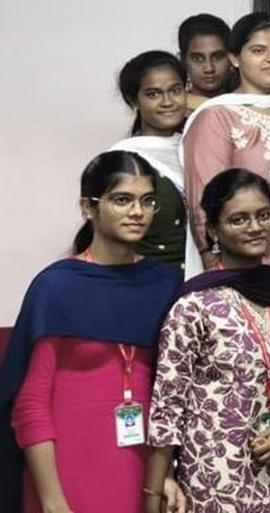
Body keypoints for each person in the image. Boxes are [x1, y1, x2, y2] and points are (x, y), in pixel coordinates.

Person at [0, 151, 182, 512]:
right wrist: (52, 501)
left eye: (148, 201)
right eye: (122, 200)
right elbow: (30, 404)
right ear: (88, 207)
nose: (137, 212)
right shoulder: (57, 286)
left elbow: (171, 391)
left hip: (140, 469)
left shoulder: (165, 283)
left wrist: (165, 473)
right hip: (67, 469)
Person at [144, 169, 270, 513]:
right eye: (239, 219)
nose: (255, 227)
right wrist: (156, 489)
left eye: (263, 215)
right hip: (215, 475)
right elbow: (168, 406)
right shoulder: (195, 304)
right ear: (213, 229)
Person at [181, 12, 270, 278]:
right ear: (235, 58)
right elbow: (206, 199)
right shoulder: (217, 116)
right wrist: (214, 267)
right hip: (243, 266)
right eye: (259, 50)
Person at [110, 51, 189, 270]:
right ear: (135, 100)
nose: (167, 102)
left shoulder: (196, 146)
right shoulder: (123, 158)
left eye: (175, 91)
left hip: (201, 280)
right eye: (154, 94)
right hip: (146, 280)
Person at [177, 13, 232, 111]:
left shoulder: (249, 108)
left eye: (217, 57)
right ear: (183, 59)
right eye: (198, 59)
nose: (209, 68)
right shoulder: (173, 113)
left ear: (232, 57)